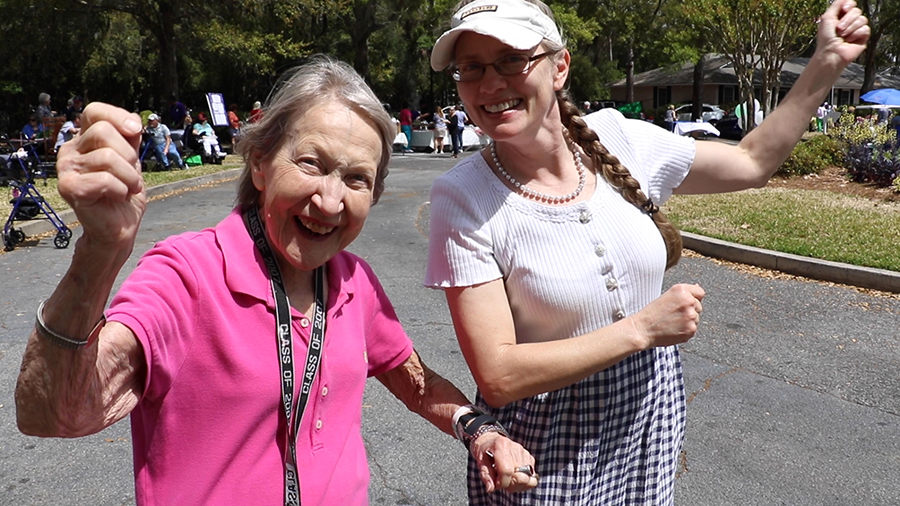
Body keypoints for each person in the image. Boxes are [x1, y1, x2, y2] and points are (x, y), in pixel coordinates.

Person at [15, 56, 538, 505]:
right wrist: (100, 253)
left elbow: (413, 379)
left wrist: (480, 432)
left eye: (356, 179)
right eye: (311, 163)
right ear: (261, 162)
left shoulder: (352, 280)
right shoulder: (186, 273)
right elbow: (51, 412)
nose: (330, 201)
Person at [424, 0, 869, 504]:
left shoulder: (618, 137)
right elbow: (500, 376)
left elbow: (752, 161)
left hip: (647, 412)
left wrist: (826, 63)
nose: (489, 85)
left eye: (510, 60)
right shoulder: (462, 197)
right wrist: (642, 329)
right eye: (471, 68)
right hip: (543, 443)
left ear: (560, 66)